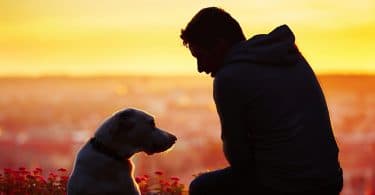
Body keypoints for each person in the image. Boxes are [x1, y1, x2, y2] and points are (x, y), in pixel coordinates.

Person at [180, 7, 343, 195]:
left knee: (201, 187)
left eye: (200, 56)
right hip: (330, 180)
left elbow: (239, 158)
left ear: (219, 45)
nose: (200, 68)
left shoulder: (229, 78)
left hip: (287, 187)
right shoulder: (289, 55)